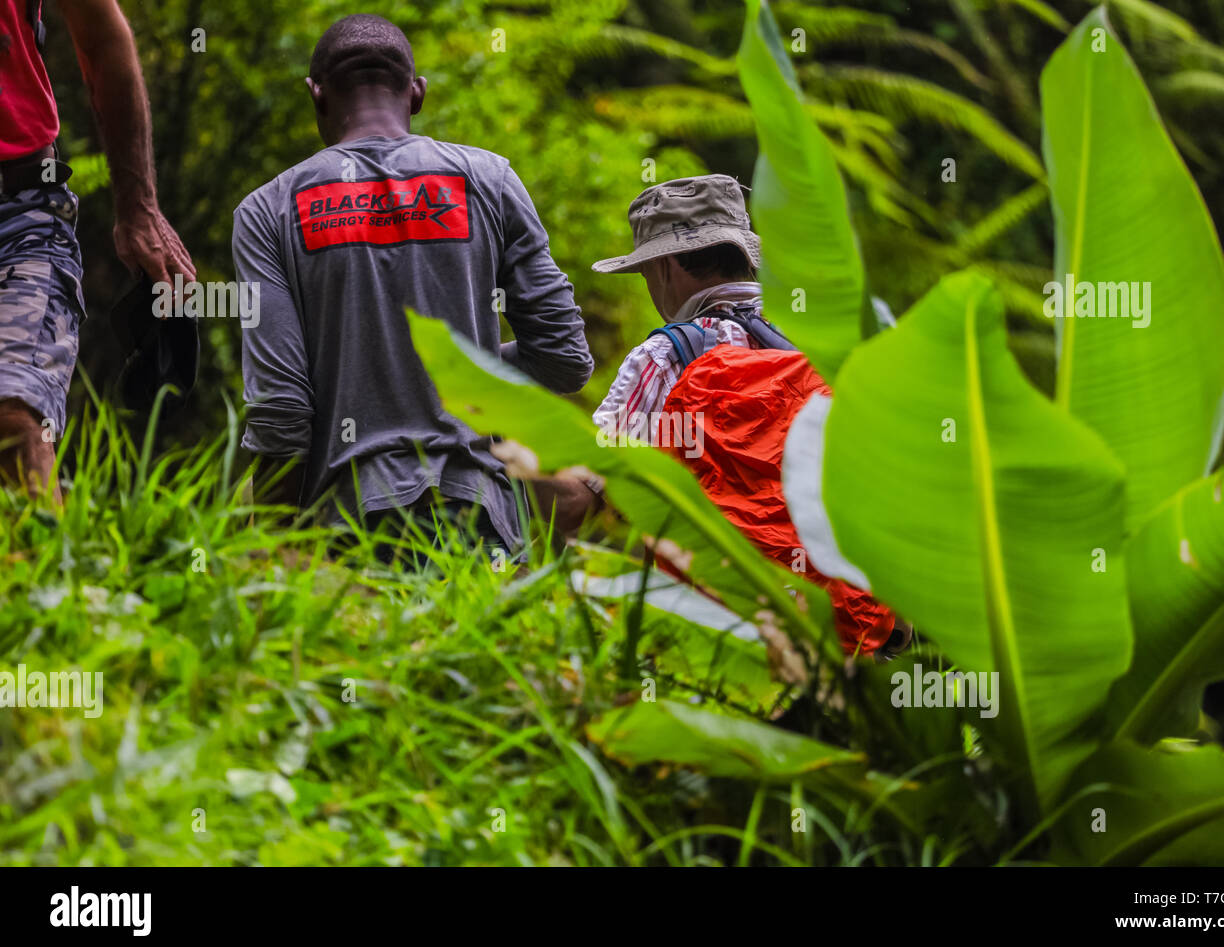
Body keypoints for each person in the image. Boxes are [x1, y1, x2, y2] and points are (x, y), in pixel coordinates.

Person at [234, 14, 593, 554]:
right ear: (418, 94)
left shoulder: (269, 210)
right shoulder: (489, 180)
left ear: (316, 95)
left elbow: (282, 412)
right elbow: (565, 358)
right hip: (480, 524)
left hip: (344, 536)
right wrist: (450, 368)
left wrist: (269, 549)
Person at [589, 174, 906, 659]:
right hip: (848, 635)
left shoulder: (663, 357)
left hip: (713, 637)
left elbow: (597, 493)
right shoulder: (831, 346)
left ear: (669, 265)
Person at [0, 0, 194, 500]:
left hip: (18, 208)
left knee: (13, 415)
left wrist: (139, 207)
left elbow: (103, 38)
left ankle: (49, 575)